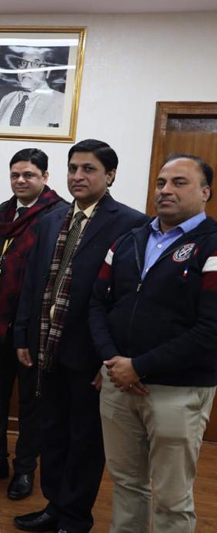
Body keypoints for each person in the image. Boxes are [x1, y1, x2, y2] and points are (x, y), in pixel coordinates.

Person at [12, 139, 148, 533]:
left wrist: (109, 359)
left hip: (90, 354)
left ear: (110, 175)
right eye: (73, 168)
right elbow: (32, 283)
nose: (78, 176)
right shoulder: (51, 219)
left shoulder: (130, 224)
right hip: (47, 347)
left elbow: (127, 300)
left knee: (85, 441)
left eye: (89, 169)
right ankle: (54, 506)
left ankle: (74, 518)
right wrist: (22, 334)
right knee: (52, 433)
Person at [91, 154, 217, 532]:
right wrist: (112, 360)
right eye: (161, 182)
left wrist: (138, 367)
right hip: (118, 383)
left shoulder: (212, 246)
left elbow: (211, 329)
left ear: (205, 192)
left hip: (178, 390)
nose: (165, 190)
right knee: (127, 484)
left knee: (172, 498)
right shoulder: (129, 240)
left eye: (179, 182)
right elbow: (97, 304)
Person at [0, 149, 67, 499]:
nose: (21, 181)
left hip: (32, 330)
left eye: (29, 175)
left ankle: (25, 470)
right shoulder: (4, 213)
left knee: (30, 407)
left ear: (45, 177)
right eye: (15, 175)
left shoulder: (59, 215)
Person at [0, 47, 65, 128]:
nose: (27, 69)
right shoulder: (7, 98)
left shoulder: (61, 101)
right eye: (23, 63)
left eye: (35, 64)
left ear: (48, 72)